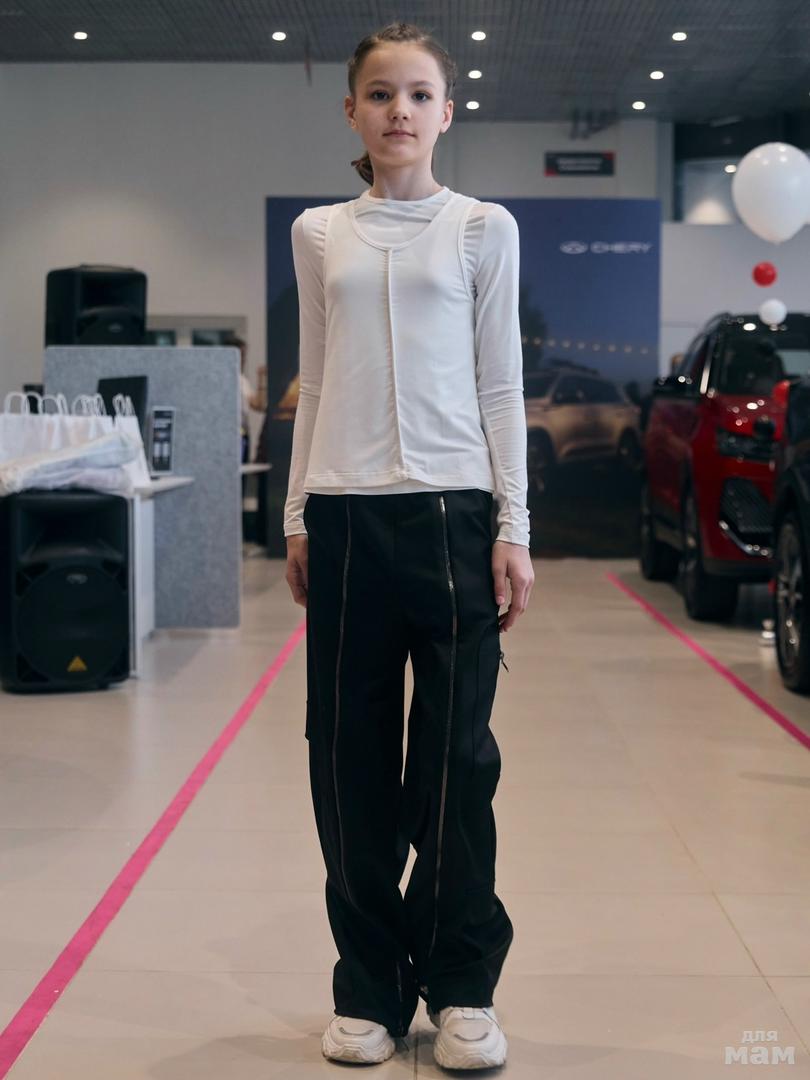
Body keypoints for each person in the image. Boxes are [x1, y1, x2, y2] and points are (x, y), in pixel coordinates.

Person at [283, 21, 534, 1071]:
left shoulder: (482, 228)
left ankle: (463, 984)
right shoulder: (318, 234)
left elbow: (501, 387)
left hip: (451, 518)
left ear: (446, 111)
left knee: (454, 765)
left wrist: (514, 526)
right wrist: (297, 514)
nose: (400, 110)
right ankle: (370, 986)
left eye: (419, 93)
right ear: (352, 111)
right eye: (381, 94)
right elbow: (315, 381)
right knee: (348, 765)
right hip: (345, 518)